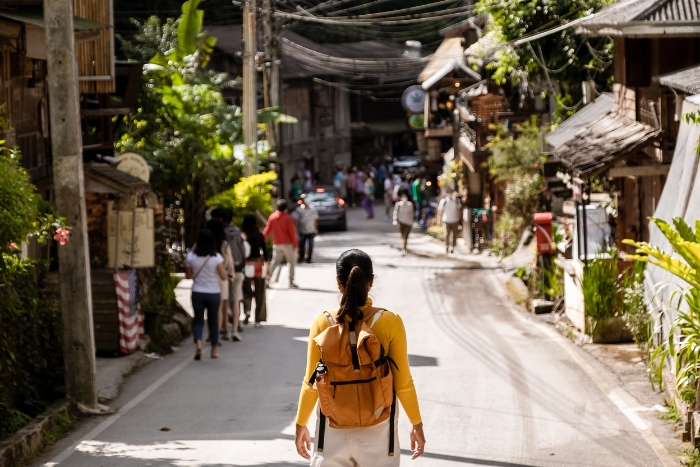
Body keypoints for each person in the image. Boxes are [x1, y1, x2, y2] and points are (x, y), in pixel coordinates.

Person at [294, 249, 426, 465]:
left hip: (332, 431)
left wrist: (301, 424)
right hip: (379, 431)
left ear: (339, 284)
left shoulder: (322, 323)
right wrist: (416, 424)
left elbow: (311, 382)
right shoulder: (390, 322)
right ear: (370, 282)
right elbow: (403, 383)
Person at [186, 229, 228, 360]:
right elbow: (223, 277)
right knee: (213, 322)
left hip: (197, 292)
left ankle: (198, 342)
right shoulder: (216, 257)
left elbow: (188, 276)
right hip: (213, 293)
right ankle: (214, 350)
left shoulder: (191, 257)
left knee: (198, 320)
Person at [211, 207, 247, 342]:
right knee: (236, 300)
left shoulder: (218, 233)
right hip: (238, 269)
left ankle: (223, 329)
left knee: (223, 302)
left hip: (223, 271)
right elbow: (243, 250)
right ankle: (235, 330)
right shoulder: (237, 231)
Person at [206, 218, 234, 342]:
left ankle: (211, 334)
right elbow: (229, 261)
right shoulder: (224, 244)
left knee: (210, 307)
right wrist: (231, 274)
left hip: (208, 277)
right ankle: (223, 331)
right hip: (222, 276)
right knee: (222, 306)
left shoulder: (203, 243)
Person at [264, 199, 299, 288]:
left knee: (274, 262)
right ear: (286, 208)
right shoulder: (288, 218)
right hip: (287, 244)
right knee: (291, 262)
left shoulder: (272, 217)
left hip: (277, 244)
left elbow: (267, 230)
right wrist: (295, 245)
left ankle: (267, 280)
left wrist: (262, 241)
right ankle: (291, 282)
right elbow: (292, 232)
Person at [241, 214, 269, 328]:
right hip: (258, 264)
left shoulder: (243, 236)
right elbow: (265, 253)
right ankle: (258, 319)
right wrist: (268, 268)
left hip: (246, 264)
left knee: (246, 290)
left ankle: (247, 311)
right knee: (260, 291)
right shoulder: (259, 235)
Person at [292, 194, 318, 263]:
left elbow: (315, 219)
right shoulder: (299, 209)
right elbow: (296, 220)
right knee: (301, 245)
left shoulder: (313, 209)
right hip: (302, 230)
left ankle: (309, 259)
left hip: (311, 230)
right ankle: (301, 257)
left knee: (311, 245)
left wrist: (316, 229)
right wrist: (295, 230)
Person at [439, 187, 462, 254]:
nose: (450, 194)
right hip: (446, 220)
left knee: (454, 235)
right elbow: (440, 211)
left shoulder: (456, 201)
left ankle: (453, 247)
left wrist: (459, 219)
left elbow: (459, 210)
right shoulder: (444, 201)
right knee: (447, 234)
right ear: (446, 193)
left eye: (451, 192)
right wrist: (439, 220)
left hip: (455, 220)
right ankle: (447, 246)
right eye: (448, 192)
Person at [393, 189, 414, 256]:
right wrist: (395, 220)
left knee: (406, 236)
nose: (404, 198)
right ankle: (404, 248)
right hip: (401, 223)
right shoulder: (398, 204)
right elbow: (395, 213)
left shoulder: (410, 204)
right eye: (403, 196)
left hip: (408, 223)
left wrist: (411, 216)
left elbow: (412, 213)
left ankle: (404, 248)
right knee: (403, 236)